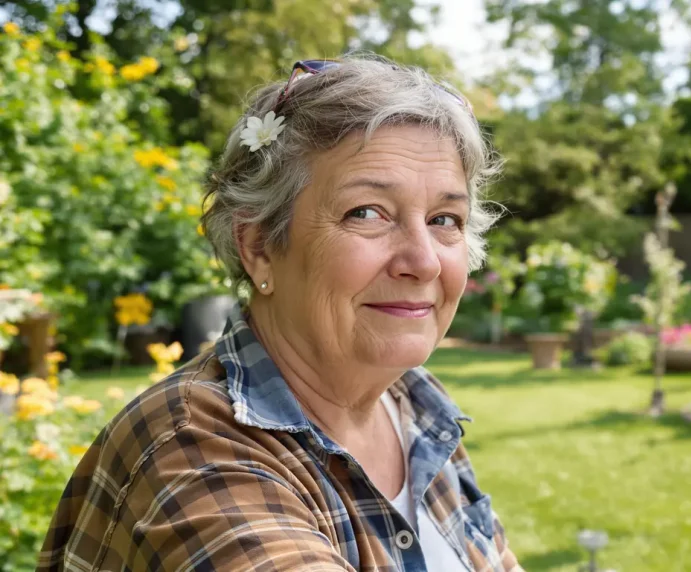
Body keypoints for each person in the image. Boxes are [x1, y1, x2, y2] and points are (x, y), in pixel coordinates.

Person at [39, 54, 522, 571]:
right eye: (366, 213)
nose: (423, 261)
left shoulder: (415, 404)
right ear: (260, 246)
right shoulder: (196, 451)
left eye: (444, 219)